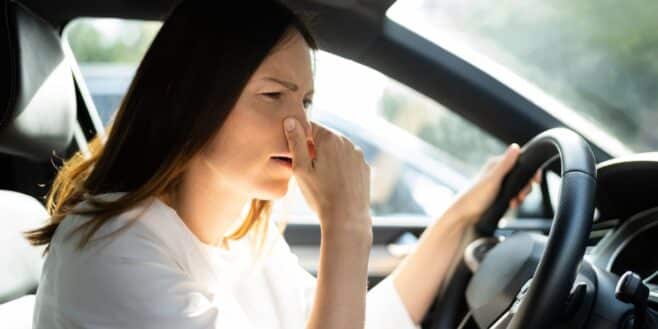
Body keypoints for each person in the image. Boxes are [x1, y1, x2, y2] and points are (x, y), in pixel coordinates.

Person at [27, 1, 537, 328]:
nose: (301, 128)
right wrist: (346, 224)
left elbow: (362, 321)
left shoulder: (245, 233)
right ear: (191, 102)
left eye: (307, 103)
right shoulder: (110, 251)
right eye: (274, 95)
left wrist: (462, 215)